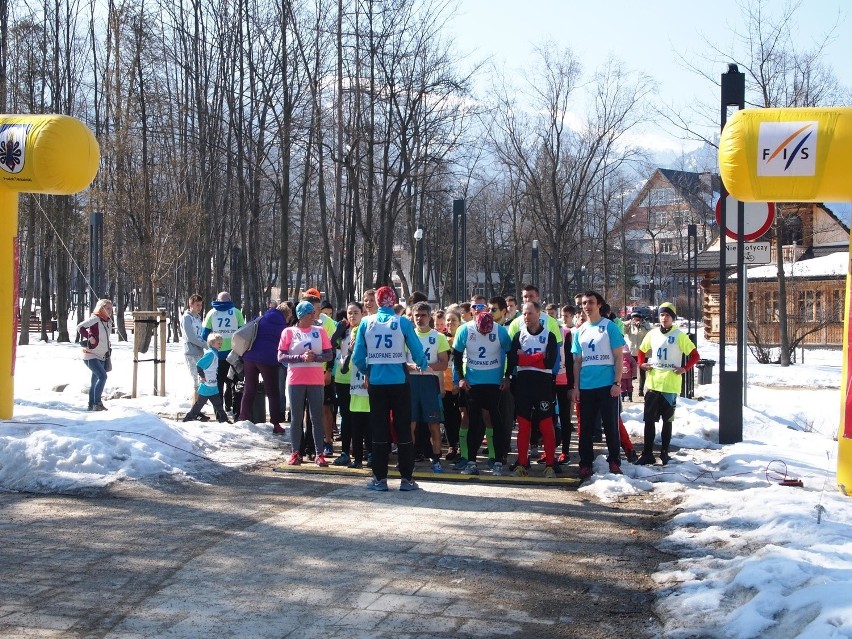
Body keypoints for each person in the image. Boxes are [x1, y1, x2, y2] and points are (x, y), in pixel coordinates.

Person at [352, 285, 428, 491]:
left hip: (377, 382)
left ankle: (379, 479)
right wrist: (421, 363)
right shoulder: (402, 321)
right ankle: (407, 479)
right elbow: (416, 347)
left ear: (377, 302)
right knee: (403, 429)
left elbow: (357, 356)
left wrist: (367, 369)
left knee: (379, 430)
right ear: (393, 301)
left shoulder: (366, 322)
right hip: (399, 381)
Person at [570, 291, 626, 480]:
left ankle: (614, 461)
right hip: (586, 387)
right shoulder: (580, 331)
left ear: (599, 304)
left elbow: (619, 356)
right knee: (585, 429)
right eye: (584, 303)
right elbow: (577, 362)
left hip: (607, 387)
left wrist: (617, 382)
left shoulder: (609, 327)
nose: (587, 306)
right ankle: (585, 464)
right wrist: (576, 387)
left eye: (591, 302)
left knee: (611, 426)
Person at [636, 302, 699, 465]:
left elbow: (695, 355)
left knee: (667, 421)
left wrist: (684, 368)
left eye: (668, 315)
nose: (664, 318)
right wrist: (642, 364)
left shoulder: (679, 335)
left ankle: (664, 453)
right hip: (653, 382)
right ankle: (647, 453)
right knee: (649, 420)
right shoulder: (652, 333)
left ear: (673, 318)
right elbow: (641, 351)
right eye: (662, 315)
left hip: (670, 384)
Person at [452, 310, 512, 475]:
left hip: (494, 383)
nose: (485, 334)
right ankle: (471, 462)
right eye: (482, 331)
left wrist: (507, 376)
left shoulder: (500, 330)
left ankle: (498, 462)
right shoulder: (466, 330)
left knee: (496, 421)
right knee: (474, 422)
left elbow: (511, 353)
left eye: (488, 331)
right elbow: (456, 355)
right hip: (473, 383)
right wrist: (461, 378)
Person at [507, 301, 559, 478]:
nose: (526, 317)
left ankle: (550, 465)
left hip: (542, 383)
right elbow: (514, 360)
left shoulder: (549, 335)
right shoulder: (519, 335)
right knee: (523, 425)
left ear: (538, 314)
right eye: (524, 313)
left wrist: (526, 357)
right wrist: (538, 357)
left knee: (546, 424)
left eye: (529, 313)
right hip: (523, 383)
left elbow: (549, 362)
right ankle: (522, 463)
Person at [278, 301, 333, 466]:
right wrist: (300, 357)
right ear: (301, 315)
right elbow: (281, 357)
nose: (313, 316)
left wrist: (315, 357)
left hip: (315, 379)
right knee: (296, 418)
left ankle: (319, 453)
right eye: (310, 313)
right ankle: (296, 452)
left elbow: (329, 354)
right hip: (296, 379)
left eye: (313, 313)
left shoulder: (320, 331)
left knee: (316, 417)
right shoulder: (289, 332)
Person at [408, 302, 450, 473]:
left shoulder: (438, 337)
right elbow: (402, 362)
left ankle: (436, 459)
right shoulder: (407, 336)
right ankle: (408, 458)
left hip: (429, 384)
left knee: (433, 424)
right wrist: (413, 367)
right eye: (417, 315)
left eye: (423, 315)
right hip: (412, 382)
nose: (419, 318)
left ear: (430, 316)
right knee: (410, 423)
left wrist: (427, 367)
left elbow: (444, 363)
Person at [239, 303, 288, 434]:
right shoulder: (283, 325)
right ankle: (276, 423)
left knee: (249, 389)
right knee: (273, 393)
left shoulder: (261, 318)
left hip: (249, 356)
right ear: (286, 315)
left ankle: (243, 419)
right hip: (268, 359)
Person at [201, 291, 245, 415]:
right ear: (230, 300)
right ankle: (232, 407)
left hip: (217, 354)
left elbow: (204, 335)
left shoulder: (211, 313)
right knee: (233, 381)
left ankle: (218, 410)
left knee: (218, 382)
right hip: (234, 353)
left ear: (218, 300)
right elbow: (243, 332)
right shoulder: (236, 312)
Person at [332, 302, 363, 466]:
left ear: (362, 314)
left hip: (359, 378)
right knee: (345, 417)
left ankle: (363, 450)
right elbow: (330, 345)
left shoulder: (365, 329)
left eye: (356, 312)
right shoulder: (343, 332)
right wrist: (338, 331)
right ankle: (345, 452)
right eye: (350, 313)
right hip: (343, 378)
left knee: (361, 417)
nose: (352, 316)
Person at [76, 299, 113, 411]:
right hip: (90, 354)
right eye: (107, 308)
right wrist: (90, 337)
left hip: (102, 354)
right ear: (101, 308)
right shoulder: (95, 319)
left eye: (111, 308)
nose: (110, 311)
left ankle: (91, 404)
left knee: (95, 380)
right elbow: (80, 327)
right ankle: (97, 403)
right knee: (102, 376)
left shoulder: (108, 321)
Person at [183, 333, 229, 423]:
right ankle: (188, 418)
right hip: (207, 384)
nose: (220, 345)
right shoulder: (211, 354)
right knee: (199, 404)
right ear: (211, 343)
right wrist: (202, 376)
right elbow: (199, 365)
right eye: (218, 343)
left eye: (221, 343)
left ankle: (224, 419)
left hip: (212, 384)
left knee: (218, 404)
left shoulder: (214, 353)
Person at [181, 294, 206, 391]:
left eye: (201, 305)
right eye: (197, 305)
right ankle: (195, 401)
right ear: (191, 305)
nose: (199, 307)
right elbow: (191, 337)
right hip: (190, 352)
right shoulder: (187, 317)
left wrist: (206, 344)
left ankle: (200, 398)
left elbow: (199, 335)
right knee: (195, 378)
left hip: (200, 351)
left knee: (202, 377)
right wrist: (204, 344)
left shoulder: (198, 317)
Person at [624, 311, 651, 397]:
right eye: (633, 319)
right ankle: (628, 390)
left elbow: (648, 334)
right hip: (631, 352)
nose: (635, 321)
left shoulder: (645, 326)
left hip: (642, 352)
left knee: (642, 372)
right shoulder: (630, 326)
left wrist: (642, 326)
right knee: (629, 371)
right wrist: (627, 324)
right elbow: (624, 331)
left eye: (637, 319)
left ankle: (641, 390)